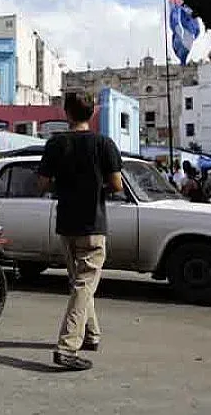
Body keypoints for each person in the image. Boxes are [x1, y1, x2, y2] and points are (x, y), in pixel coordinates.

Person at [36, 91, 123, 371]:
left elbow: (42, 184)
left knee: (80, 284)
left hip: (66, 223)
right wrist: (95, 189)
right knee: (85, 284)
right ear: (93, 112)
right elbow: (117, 185)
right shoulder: (104, 144)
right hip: (93, 223)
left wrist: (65, 188)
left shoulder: (55, 144)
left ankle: (92, 335)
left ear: (67, 112)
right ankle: (66, 347)